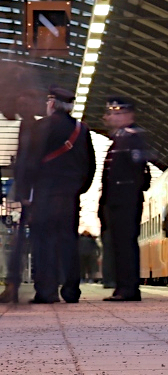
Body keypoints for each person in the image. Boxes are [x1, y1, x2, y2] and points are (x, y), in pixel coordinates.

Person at [28, 85, 96, 304]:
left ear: (51, 103)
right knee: (68, 240)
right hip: (69, 196)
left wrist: (28, 191)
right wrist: (78, 189)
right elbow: (90, 164)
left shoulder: (40, 127)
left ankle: (46, 291)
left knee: (44, 241)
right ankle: (71, 290)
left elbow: (30, 161)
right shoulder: (81, 130)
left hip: (44, 194)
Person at [100, 96, 152, 302]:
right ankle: (123, 287)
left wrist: (129, 194)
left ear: (128, 115)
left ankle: (128, 288)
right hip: (118, 200)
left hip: (126, 200)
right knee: (119, 244)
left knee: (125, 244)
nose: (108, 118)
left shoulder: (133, 138)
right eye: (109, 113)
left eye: (114, 113)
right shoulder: (120, 139)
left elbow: (140, 171)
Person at [1, 91, 42, 303]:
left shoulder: (35, 128)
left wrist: (27, 193)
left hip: (33, 192)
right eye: (20, 105)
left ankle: (15, 285)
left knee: (29, 241)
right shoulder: (26, 127)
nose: (21, 108)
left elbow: (31, 161)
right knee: (22, 241)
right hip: (28, 190)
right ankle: (14, 284)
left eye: (25, 104)